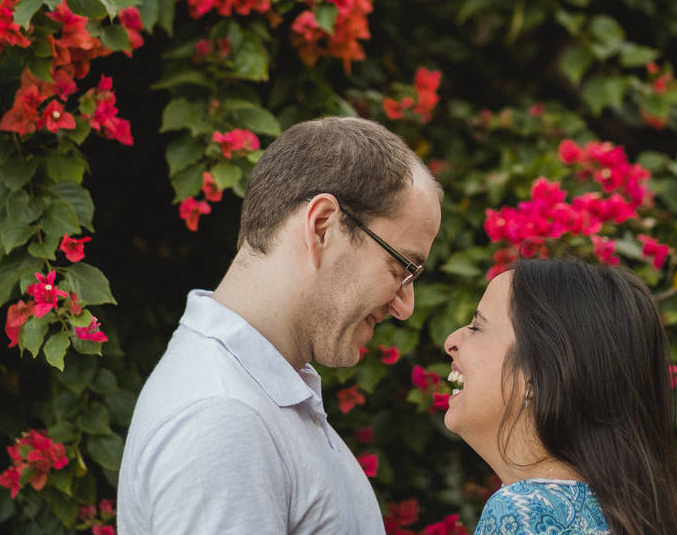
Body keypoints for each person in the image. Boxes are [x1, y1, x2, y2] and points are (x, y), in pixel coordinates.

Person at [118, 116, 442, 534]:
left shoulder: (255, 397)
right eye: (401, 266)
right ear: (322, 226)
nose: (405, 306)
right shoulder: (221, 419)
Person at [443, 258, 677, 535]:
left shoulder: (523, 513)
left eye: (477, 327)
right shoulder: (625, 515)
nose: (451, 342)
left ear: (537, 371)